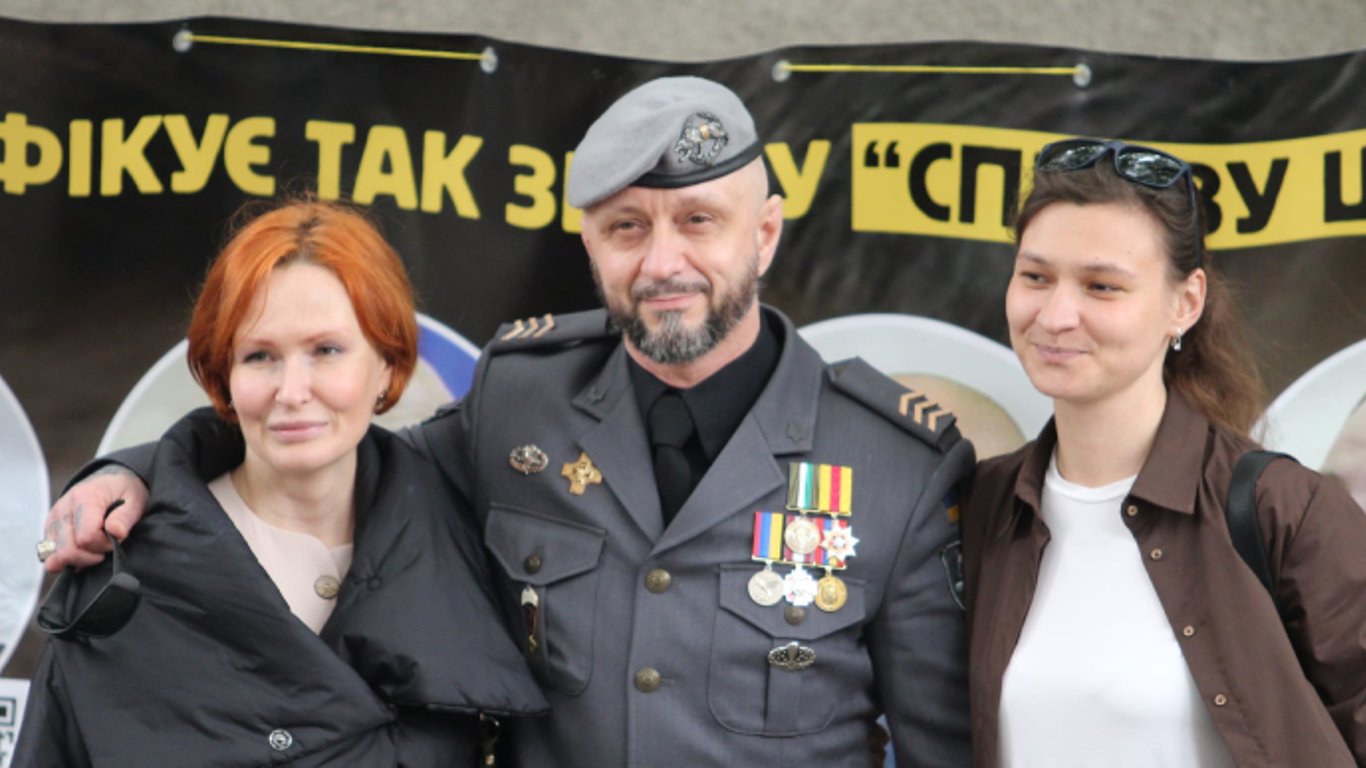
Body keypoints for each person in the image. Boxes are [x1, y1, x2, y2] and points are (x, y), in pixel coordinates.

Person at [37, 77, 974, 767]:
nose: (663, 262)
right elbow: (338, 454)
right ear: (591, 244)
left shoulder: (895, 463)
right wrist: (135, 475)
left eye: (699, 221)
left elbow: (940, 748)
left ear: (763, 233)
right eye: (627, 227)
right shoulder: (521, 399)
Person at [17, 200, 546, 767]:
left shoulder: (469, 540)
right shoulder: (124, 580)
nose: (292, 391)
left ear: (388, 366)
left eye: (327, 351)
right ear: (223, 375)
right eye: (260, 356)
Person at [960, 139, 1366, 767]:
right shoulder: (982, 505)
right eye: (1036, 277)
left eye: (1101, 286)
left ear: (1186, 303)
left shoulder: (1283, 510)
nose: (1057, 315)